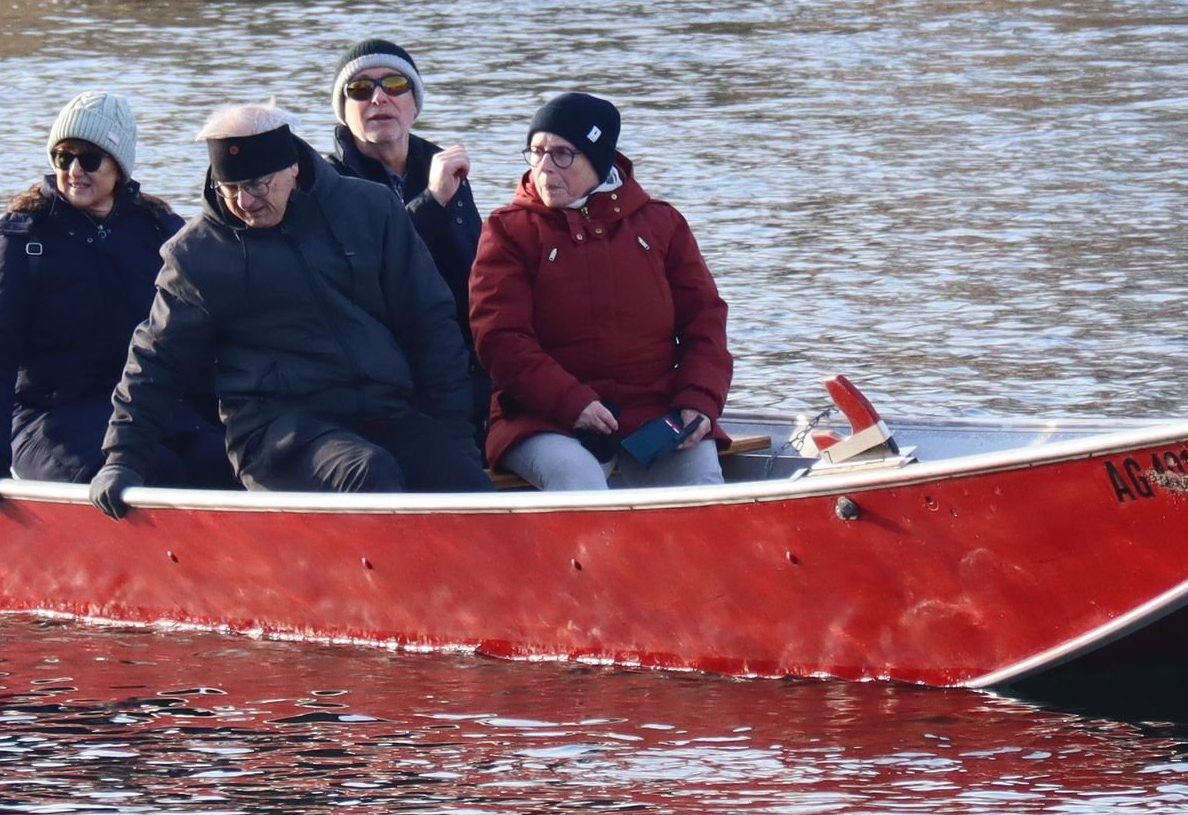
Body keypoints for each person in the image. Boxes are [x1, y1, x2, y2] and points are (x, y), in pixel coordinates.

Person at [92, 104, 490, 508]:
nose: (245, 202)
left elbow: (430, 325)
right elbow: (157, 358)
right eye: (231, 191)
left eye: (258, 185)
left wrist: (455, 436)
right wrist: (123, 458)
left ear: (293, 168)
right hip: (276, 433)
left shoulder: (372, 209)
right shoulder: (197, 255)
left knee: (465, 485)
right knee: (366, 473)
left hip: (384, 411)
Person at [0, 90, 228, 512]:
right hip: (53, 416)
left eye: (89, 159)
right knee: (150, 471)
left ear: (118, 166)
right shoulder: (21, 237)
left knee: (228, 466)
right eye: (63, 158)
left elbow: (208, 331)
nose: (74, 171)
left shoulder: (160, 229)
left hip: (148, 409)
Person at [468, 90, 733, 491]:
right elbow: (500, 339)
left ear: (597, 159)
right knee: (579, 480)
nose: (544, 167)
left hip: (654, 411)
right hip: (542, 416)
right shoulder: (509, 230)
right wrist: (574, 403)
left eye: (561, 153)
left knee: (702, 484)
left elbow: (705, 322)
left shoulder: (662, 224)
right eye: (536, 152)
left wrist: (699, 402)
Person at [324, 38, 481, 317]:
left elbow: (476, 268)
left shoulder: (446, 168)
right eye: (360, 89)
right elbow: (367, 273)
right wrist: (431, 202)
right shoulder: (327, 183)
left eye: (395, 85)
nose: (379, 98)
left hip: (460, 338)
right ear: (343, 112)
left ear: (414, 103)